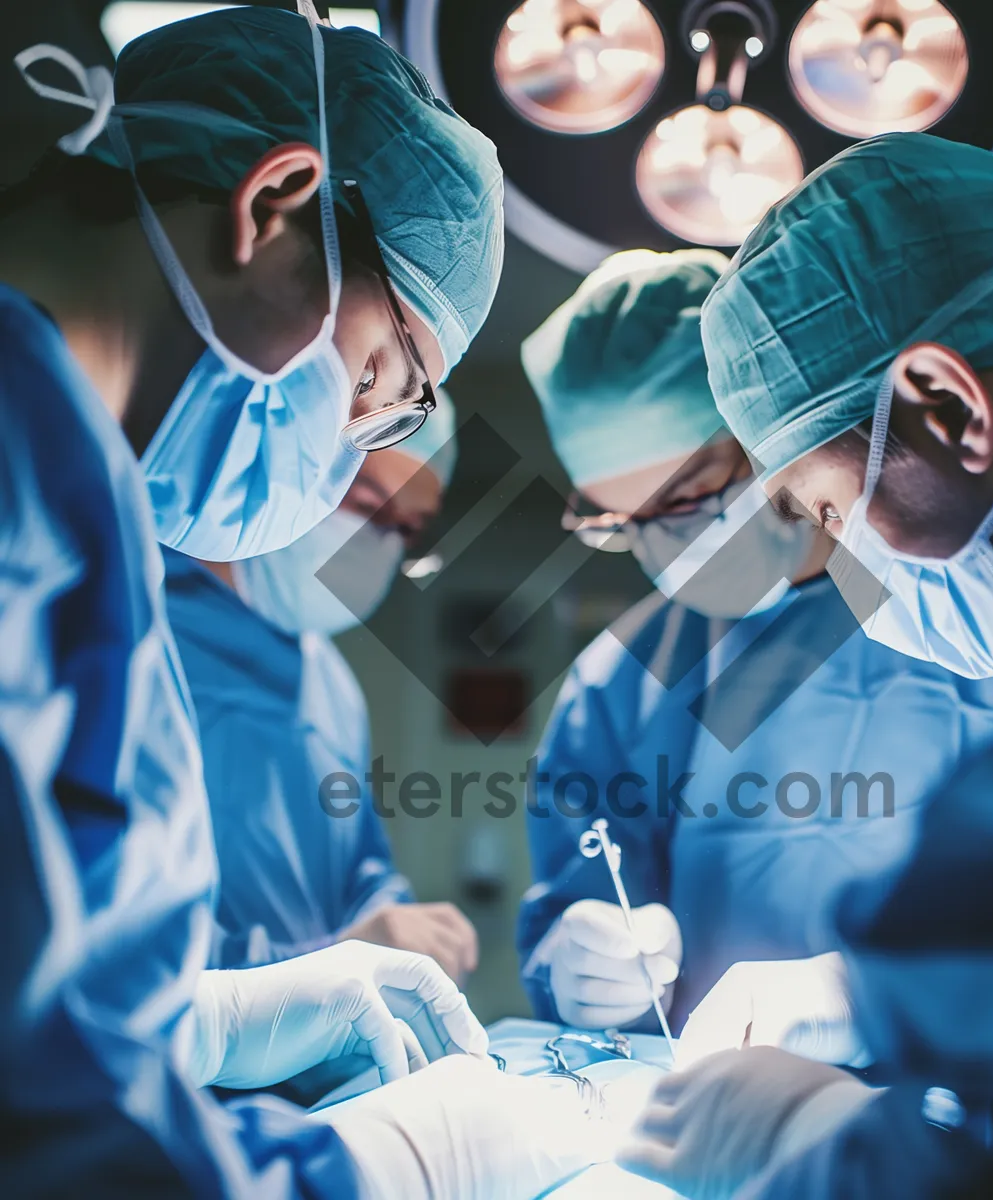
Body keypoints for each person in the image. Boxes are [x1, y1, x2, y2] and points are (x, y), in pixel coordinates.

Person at [0, 8, 592, 1199]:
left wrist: (194, 1021)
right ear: (274, 203)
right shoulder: (25, 478)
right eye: (380, 377)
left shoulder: (82, 504)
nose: (342, 458)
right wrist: (386, 1168)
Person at [618, 133, 993, 1198]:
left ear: (947, 406)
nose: (840, 558)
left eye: (830, 509)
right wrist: (879, 996)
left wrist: (812, 1149)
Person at [516, 249, 993, 1042]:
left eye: (685, 493)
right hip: (714, 1109)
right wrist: (583, 971)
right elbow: (580, 892)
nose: (663, 540)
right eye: (622, 522)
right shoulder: (621, 680)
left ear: (769, 437)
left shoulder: (969, 610)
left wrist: (878, 994)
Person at [166, 393, 478, 985]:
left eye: (406, 529)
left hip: (318, 1066)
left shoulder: (330, 682)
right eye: (365, 504)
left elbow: (359, 866)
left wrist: (393, 928)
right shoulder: (132, 636)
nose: (380, 544)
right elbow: (112, 947)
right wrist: (322, 967)